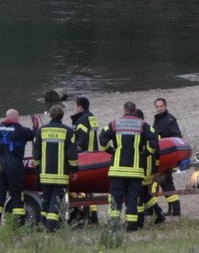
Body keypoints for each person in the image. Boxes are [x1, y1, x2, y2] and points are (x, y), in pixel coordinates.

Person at [99, 101, 158, 232]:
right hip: (135, 170)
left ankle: (114, 224)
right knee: (132, 198)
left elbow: (102, 138)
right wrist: (145, 153)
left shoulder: (115, 123)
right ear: (134, 110)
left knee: (116, 197)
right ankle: (132, 226)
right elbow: (154, 139)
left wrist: (111, 150)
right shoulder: (142, 124)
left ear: (124, 110)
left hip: (117, 169)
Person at [32, 104, 79, 232]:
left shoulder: (41, 131)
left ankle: (41, 226)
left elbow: (36, 153)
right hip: (60, 175)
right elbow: (72, 155)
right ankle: (50, 228)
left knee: (46, 200)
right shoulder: (68, 132)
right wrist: (74, 170)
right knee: (56, 201)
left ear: (50, 115)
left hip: (45, 174)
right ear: (62, 115)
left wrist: (38, 167)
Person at [0, 109, 36, 227]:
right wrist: (35, 126)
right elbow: (36, 136)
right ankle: (18, 223)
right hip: (14, 163)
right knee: (17, 194)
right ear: (16, 118)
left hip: (0, 163)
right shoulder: (21, 130)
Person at [71, 95, 101, 223]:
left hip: (84, 155)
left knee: (81, 187)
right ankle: (93, 215)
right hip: (93, 153)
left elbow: (81, 140)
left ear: (80, 107)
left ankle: (83, 214)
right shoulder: (91, 117)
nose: (74, 108)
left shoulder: (81, 120)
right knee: (89, 189)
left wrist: (72, 151)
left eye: (75, 105)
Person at [153, 97, 183, 217]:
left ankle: (175, 209)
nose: (159, 108)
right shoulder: (157, 120)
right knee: (166, 184)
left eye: (161, 106)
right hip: (160, 157)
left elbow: (177, 136)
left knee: (167, 183)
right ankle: (173, 209)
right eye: (157, 106)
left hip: (167, 157)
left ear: (165, 106)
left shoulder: (170, 120)